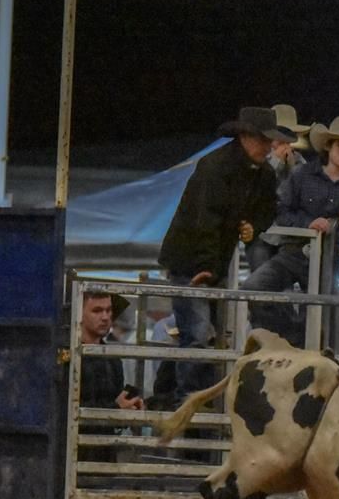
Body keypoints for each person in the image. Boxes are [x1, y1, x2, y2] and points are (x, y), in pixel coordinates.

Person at [158, 106, 295, 402]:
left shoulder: (258, 172)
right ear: (245, 136)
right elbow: (205, 219)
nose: (268, 145)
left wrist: (252, 226)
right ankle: (189, 400)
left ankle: (197, 400)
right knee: (198, 335)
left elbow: (265, 211)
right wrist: (208, 265)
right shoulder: (216, 167)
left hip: (210, 262)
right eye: (262, 139)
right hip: (193, 262)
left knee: (207, 336)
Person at [245, 116, 339, 341]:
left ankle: (302, 346)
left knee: (321, 315)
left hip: (328, 256)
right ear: (328, 147)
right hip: (293, 251)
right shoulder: (302, 174)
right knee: (253, 287)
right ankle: (292, 337)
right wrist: (308, 224)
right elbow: (282, 211)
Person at [244, 103, 314, 272]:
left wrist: (291, 167)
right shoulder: (258, 159)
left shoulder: (299, 162)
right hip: (262, 235)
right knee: (260, 284)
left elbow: (305, 193)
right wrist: (275, 163)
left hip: (290, 238)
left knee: (283, 286)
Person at [78, 293, 145, 462]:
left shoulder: (112, 358)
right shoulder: (68, 355)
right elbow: (64, 409)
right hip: (74, 453)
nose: (105, 317)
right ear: (79, 314)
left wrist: (128, 408)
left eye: (109, 311)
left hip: (104, 453)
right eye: (97, 311)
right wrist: (115, 409)